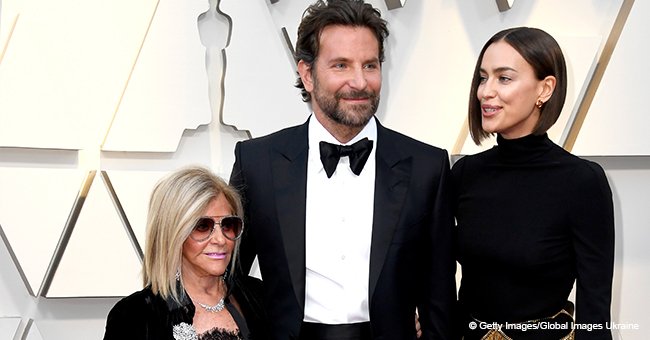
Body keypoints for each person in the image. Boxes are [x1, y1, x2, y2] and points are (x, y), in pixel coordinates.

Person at [228, 1, 456, 339]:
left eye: (370, 65)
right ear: (307, 74)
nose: (360, 82)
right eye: (341, 65)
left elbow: (440, 302)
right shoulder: (257, 162)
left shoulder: (427, 167)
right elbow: (225, 278)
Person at [452, 27, 615, 339]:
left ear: (546, 89)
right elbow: (440, 277)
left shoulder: (582, 182)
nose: (485, 91)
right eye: (483, 77)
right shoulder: (464, 174)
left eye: (504, 78)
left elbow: (595, 308)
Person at [103, 166, 267, 340]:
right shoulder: (134, 315)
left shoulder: (260, 297)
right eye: (202, 226)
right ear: (172, 233)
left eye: (228, 224)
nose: (221, 239)